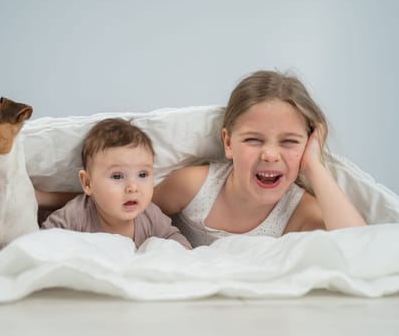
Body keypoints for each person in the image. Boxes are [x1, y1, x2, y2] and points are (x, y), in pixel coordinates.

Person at [152, 70, 366, 247]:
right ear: (228, 143)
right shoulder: (193, 187)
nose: (270, 155)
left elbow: (358, 248)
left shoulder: (299, 212)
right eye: (253, 140)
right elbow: (132, 216)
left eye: (289, 141)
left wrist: (313, 166)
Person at [37, 118, 192, 249]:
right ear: (88, 183)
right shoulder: (74, 216)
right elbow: (42, 244)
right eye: (117, 176)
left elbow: (174, 239)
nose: (133, 187)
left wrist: (185, 255)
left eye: (142, 174)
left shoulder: (150, 216)